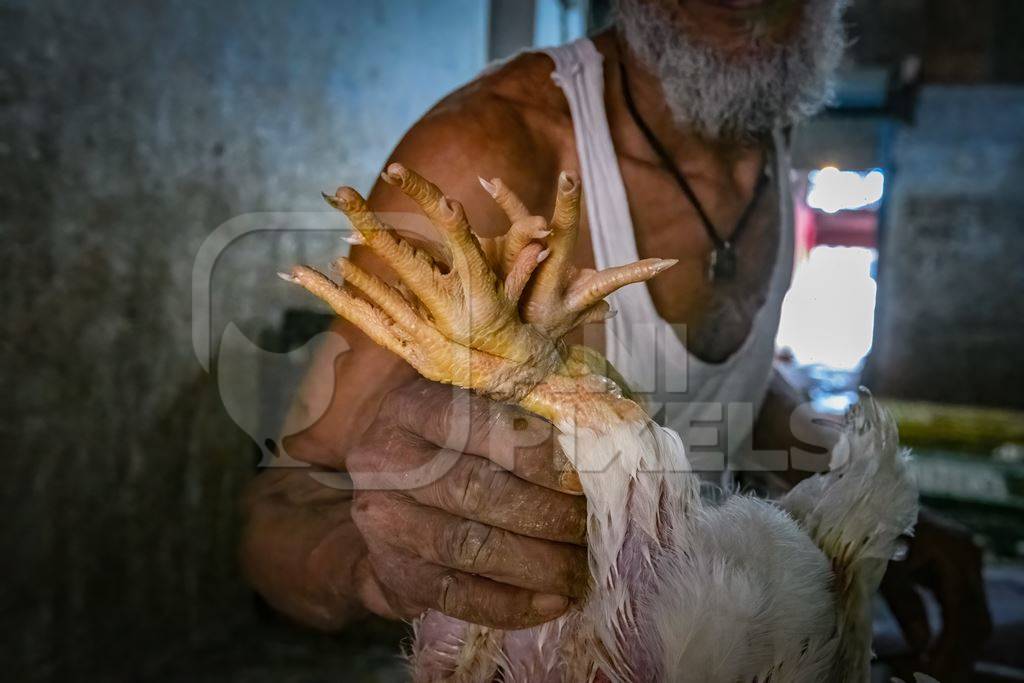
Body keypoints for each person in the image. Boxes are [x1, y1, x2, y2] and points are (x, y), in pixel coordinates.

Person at [241, 0, 991, 678]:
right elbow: (283, 500)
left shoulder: (762, 119)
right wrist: (377, 560)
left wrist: (867, 514)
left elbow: (727, 382)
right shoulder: (498, 150)